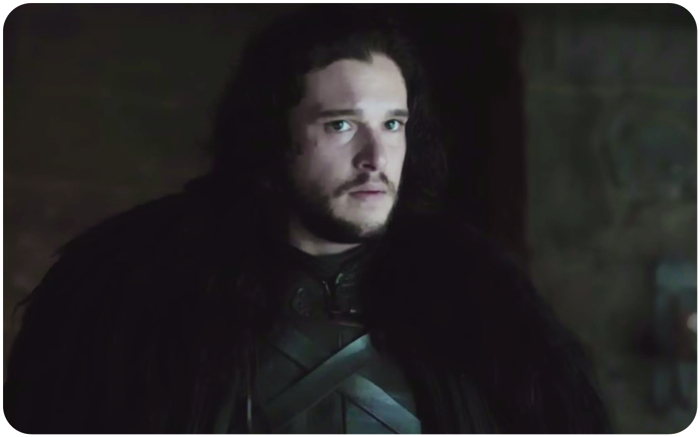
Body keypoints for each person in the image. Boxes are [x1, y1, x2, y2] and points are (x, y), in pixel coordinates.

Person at [4, 5, 611, 434]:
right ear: (273, 134)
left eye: (392, 125)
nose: (375, 158)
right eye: (341, 124)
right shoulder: (131, 292)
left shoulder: (482, 307)